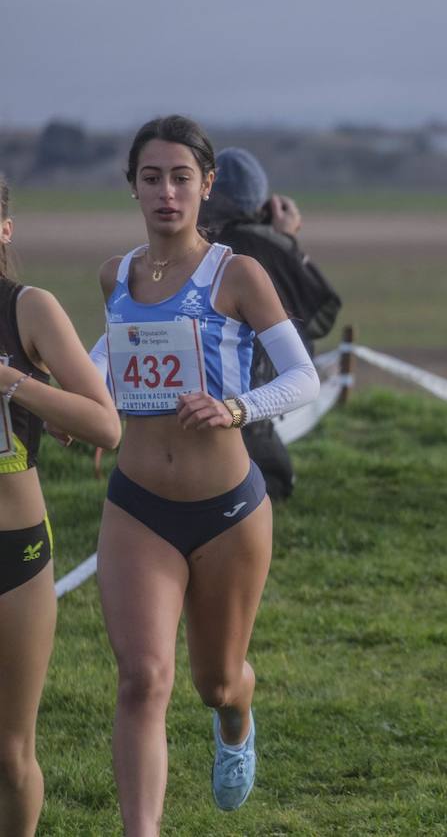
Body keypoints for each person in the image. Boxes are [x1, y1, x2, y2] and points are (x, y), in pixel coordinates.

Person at [90, 116, 319, 833]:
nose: (166, 192)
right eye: (152, 178)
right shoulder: (115, 274)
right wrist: (89, 406)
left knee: (214, 680)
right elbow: (110, 352)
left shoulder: (237, 273)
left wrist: (234, 406)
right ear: (133, 187)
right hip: (137, 509)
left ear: (206, 185)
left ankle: (236, 720)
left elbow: (304, 377)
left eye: (181, 177)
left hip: (227, 510)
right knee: (141, 678)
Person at [0, 175, 121, 836]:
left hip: (13, 553)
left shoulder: (29, 310)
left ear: (5, 229)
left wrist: (13, 383)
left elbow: (105, 426)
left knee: (10, 754)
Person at [200, 147, 341, 499]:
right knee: (274, 480)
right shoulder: (267, 247)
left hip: (184, 403)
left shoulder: (192, 244)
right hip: (248, 405)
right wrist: (287, 238)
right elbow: (320, 310)